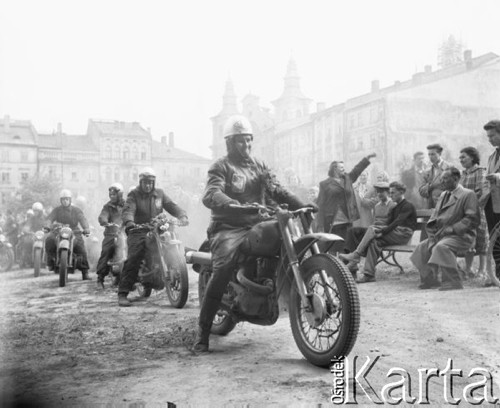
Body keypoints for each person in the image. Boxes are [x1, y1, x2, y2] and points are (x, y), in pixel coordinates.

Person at [193, 114, 312, 352]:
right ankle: (203, 331)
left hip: (258, 221)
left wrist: (302, 204)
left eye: (248, 140)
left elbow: (277, 190)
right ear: (230, 142)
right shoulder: (221, 166)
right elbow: (211, 193)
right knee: (223, 268)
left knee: (284, 235)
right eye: (240, 141)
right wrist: (232, 204)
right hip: (228, 227)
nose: (246, 145)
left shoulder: (259, 166)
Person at [118, 167, 189, 306]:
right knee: (134, 256)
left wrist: (182, 215)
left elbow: (172, 206)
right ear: (140, 182)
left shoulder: (160, 194)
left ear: (154, 182)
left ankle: (175, 266)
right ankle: (123, 293)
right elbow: (128, 210)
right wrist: (129, 222)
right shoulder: (134, 194)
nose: (148, 185)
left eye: (151, 182)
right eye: (145, 182)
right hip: (138, 229)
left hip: (158, 227)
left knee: (172, 241)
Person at [411, 167, 479, 291]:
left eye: (445, 179)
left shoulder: (468, 194)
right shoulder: (443, 195)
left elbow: (472, 219)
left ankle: (454, 281)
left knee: (442, 247)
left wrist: (453, 228)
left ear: (456, 178)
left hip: (462, 236)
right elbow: (434, 216)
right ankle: (430, 279)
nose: (442, 182)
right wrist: (432, 233)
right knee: (421, 247)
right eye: (441, 179)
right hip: (442, 235)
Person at [341, 181, 417, 283]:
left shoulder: (407, 206)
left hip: (403, 234)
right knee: (374, 242)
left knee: (372, 229)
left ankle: (356, 255)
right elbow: (389, 223)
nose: (391, 195)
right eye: (390, 192)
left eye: (393, 192)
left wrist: (382, 231)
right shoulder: (395, 207)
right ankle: (369, 275)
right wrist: (381, 230)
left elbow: (397, 222)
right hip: (395, 233)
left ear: (402, 192)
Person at [316, 153, 377, 253]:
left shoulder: (347, 179)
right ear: (334, 169)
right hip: (332, 220)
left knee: (347, 244)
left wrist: (366, 159)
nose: (344, 169)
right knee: (334, 246)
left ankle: (348, 266)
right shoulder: (324, 184)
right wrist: (320, 224)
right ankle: (334, 266)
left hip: (348, 218)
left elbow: (357, 170)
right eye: (341, 167)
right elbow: (320, 204)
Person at [341, 181, 395, 274]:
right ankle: (351, 263)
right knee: (352, 231)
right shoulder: (377, 206)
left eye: (381, 192)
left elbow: (393, 224)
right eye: (377, 192)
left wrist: (380, 225)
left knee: (364, 233)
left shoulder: (393, 205)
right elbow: (374, 220)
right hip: (374, 230)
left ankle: (354, 258)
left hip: (385, 232)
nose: (379, 194)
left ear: (388, 192)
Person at [44, 189, 92, 280]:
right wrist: (47, 226)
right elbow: (50, 218)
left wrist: (86, 228)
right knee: (49, 240)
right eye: (63, 199)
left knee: (81, 248)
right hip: (59, 230)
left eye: (67, 199)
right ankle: (50, 262)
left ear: (70, 200)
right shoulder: (57, 210)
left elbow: (82, 219)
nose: (65, 201)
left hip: (74, 231)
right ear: (60, 200)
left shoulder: (76, 210)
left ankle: (85, 272)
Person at [458, 147, 487, 278]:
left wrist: (466, 201)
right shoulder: (462, 174)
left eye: (463, 157)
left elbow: (480, 191)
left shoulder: (480, 171)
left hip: (477, 210)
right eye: (460, 158)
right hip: (465, 212)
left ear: (472, 157)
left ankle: (482, 269)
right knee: (469, 238)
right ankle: (469, 269)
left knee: (481, 239)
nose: (461, 160)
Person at [481, 119, 500, 286]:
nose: (490, 139)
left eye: (492, 135)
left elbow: (495, 176)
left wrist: (497, 177)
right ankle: (498, 276)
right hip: (491, 203)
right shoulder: (492, 155)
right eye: (488, 136)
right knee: (495, 241)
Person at [96, 183, 125, 289]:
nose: (112, 196)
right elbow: (103, 215)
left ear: (120, 194)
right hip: (111, 233)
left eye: (114, 194)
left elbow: (132, 214)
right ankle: (100, 278)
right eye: (110, 194)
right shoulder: (107, 206)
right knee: (106, 252)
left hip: (126, 232)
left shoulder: (127, 205)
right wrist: (105, 221)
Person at [419, 144, 451, 209]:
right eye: (429, 154)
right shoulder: (426, 171)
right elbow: (421, 191)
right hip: (430, 206)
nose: (430, 157)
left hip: (445, 205)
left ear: (440, 153)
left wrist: (428, 186)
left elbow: (453, 188)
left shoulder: (449, 168)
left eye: (433, 154)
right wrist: (431, 186)